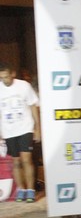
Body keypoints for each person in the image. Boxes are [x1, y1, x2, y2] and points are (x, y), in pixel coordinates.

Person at [0, 62, 40, 203]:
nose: (4, 80)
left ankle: (30, 190)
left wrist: (37, 128)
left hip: (25, 128)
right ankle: (21, 189)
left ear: (13, 74)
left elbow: (33, 106)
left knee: (26, 159)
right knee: (16, 161)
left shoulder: (24, 86)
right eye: (1, 78)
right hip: (8, 131)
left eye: (6, 77)